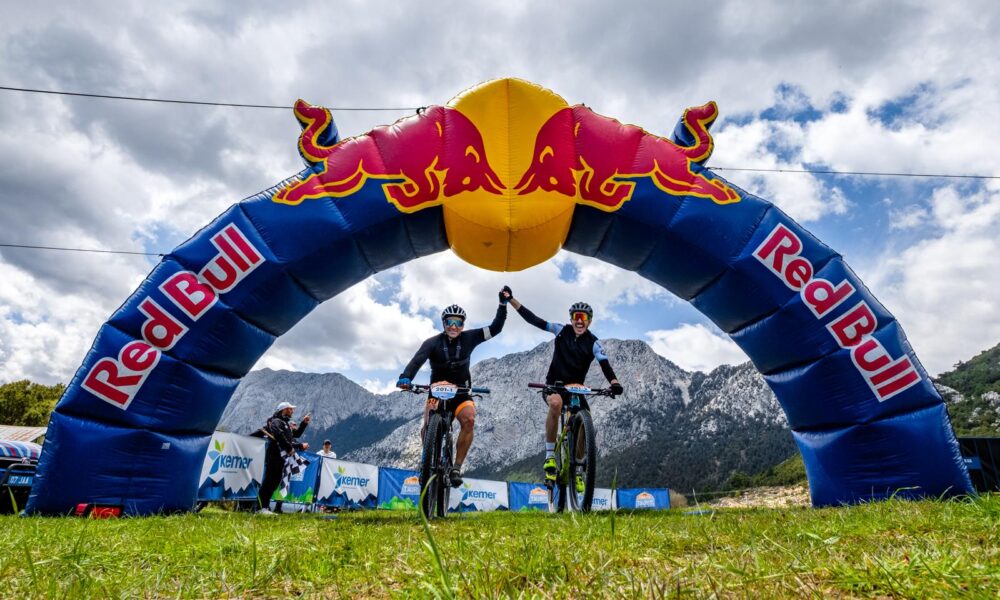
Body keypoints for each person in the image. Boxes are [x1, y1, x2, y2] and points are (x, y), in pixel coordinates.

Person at [504, 290, 624, 486]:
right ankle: (550, 456)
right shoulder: (560, 331)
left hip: (576, 390)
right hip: (555, 386)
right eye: (576, 317)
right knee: (555, 403)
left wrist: (614, 383)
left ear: (589, 321)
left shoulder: (594, 343)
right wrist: (511, 300)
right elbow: (534, 320)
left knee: (585, 423)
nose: (579, 321)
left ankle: (578, 469)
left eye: (583, 317)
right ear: (571, 319)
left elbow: (605, 365)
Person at [396, 291, 508, 487]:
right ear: (444, 323)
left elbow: (495, 328)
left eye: (458, 322)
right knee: (427, 427)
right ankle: (427, 462)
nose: (454, 326)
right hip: (437, 393)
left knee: (469, 419)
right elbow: (417, 360)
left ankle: (456, 467)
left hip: (462, 393)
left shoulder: (470, 337)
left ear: (463, 325)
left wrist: (502, 305)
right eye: (450, 322)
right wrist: (406, 377)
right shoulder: (431, 343)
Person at [254, 401, 310, 515]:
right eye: (290, 409)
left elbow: (296, 434)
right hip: (274, 455)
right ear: (284, 410)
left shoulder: (286, 424)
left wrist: (304, 423)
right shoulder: (276, 421)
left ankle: (264, 507)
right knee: (269, 481)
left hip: (282, 458)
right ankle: (260, 508)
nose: (292, 411)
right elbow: (278, 434)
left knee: (274, 482)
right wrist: (289, 448)